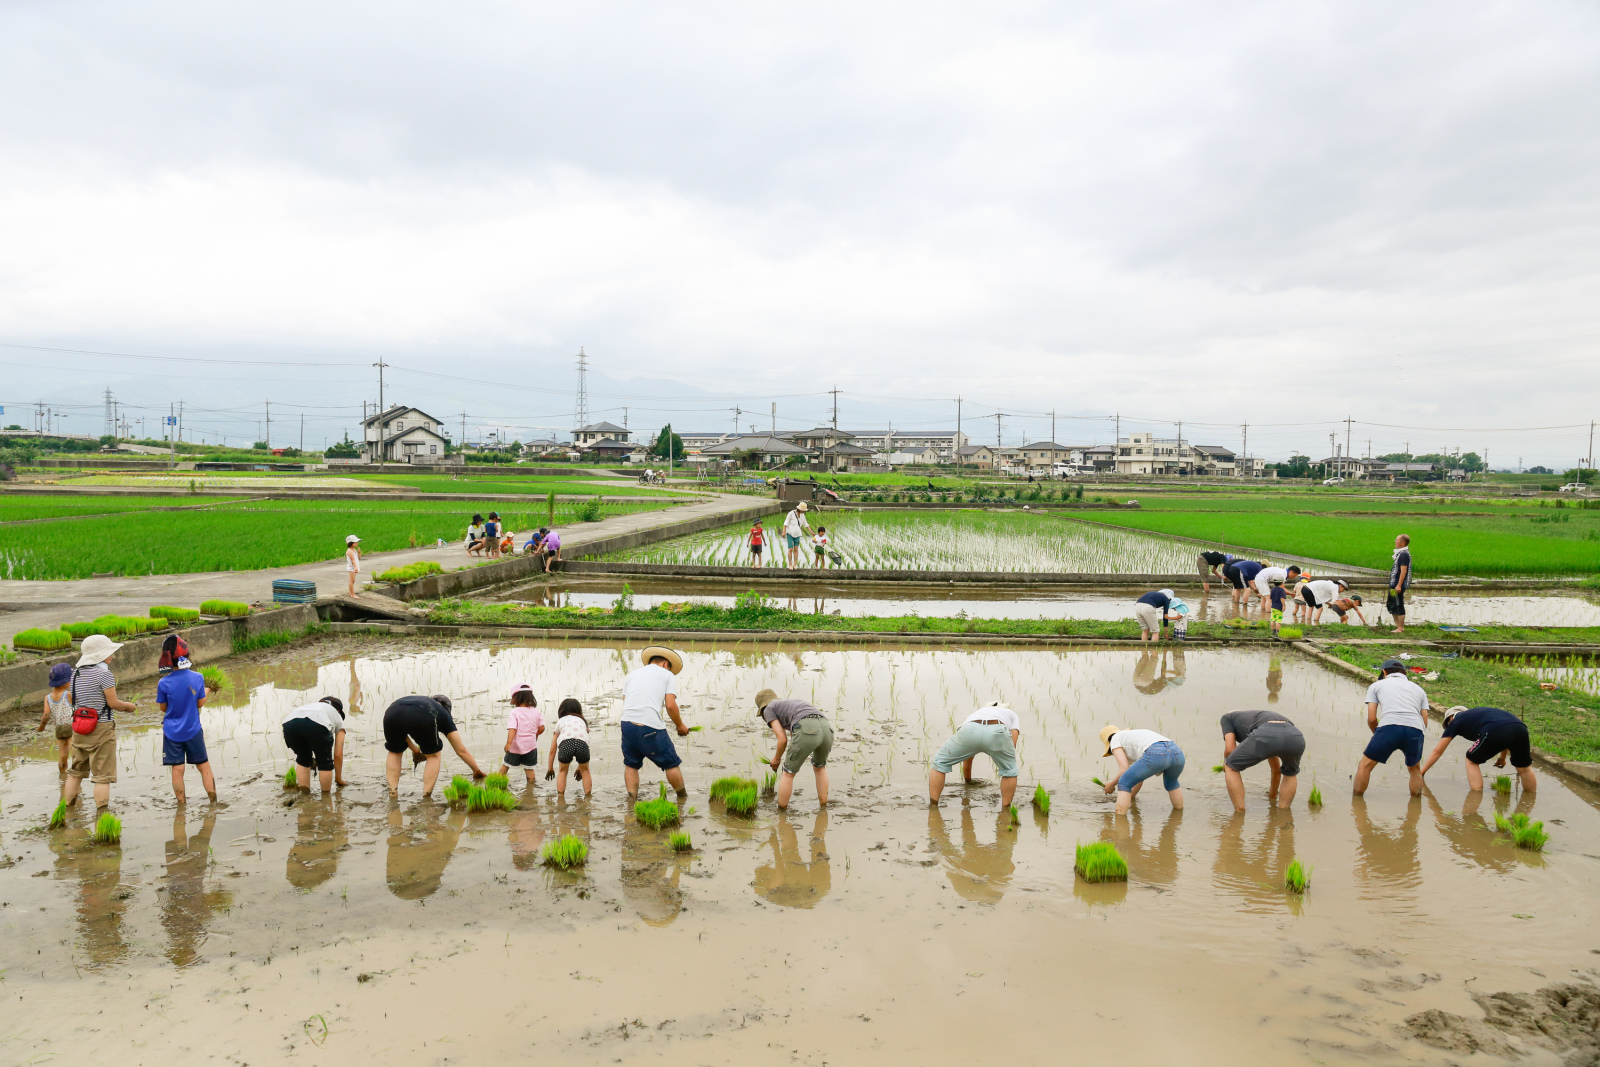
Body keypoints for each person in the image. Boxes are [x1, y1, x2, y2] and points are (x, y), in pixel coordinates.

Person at [62, 634, 137, 813]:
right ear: (101, 655)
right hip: (101, 727)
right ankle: (101, 816)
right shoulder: (105, 675)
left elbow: (71, 699)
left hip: (79, 727)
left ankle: (68, 811)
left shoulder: (75, 674)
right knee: (102, 776)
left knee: (76, 772)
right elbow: (113, 703)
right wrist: (129, 706)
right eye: (110, 652)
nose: (112, 655)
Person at [619, 646, 690, 800]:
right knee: (671, 763)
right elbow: (670, 705)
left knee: (631, 764)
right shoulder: (667, 675)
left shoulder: (632, 674)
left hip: (627, 724)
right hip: (650, 726)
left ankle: (632, 801)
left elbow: (626, 700)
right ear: (666, 664)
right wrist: (680, 725)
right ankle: (682, 798)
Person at [382, 693, 487, 797]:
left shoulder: (424, 701)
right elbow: (461, 750)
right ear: (447, 708)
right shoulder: (442, 713)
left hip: (391, 713)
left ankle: (393, 792)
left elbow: (402, 732)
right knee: (433, 756)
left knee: (395, 752)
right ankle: (426, 797)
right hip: (423, 713)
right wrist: (476, 771)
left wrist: (415, 750)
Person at [1354, 658, 1428, 797]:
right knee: (1415, 769)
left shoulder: (1377, 686)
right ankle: (1416, 806)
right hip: (1415, 729)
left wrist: (1378, 734)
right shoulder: (1419, 689)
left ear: (1384, 671)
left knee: (1365, 766)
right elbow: (1424, 721)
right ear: (1405, 673)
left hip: (1389, 727)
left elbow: (1371, 718)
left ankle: (1357, 805)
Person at [1420, 706, 1537, 793]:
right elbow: (1506, 731)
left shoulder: (1456, 721)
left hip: (1494, 730)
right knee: (1524, 768)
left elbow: (1438, 751)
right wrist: (1502, 758)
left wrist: (1421, 772)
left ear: (1450, 717)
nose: (1449, 726)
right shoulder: (1480, 715)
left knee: (1471, 760)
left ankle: (1475, 796)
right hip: (1520, 728)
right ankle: (1530, 799)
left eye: (1448, 724)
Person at [928, 701, 1021, 809]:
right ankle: (1006, 809)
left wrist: (968, 781)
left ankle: (933, 806)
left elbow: (967, 756)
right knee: (1010, 770)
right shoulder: (1011, 714)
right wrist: (998, 752)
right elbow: (1012, 743)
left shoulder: (978, 712)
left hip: (971, 728)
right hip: (998, 729)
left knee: (940, 762)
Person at [755, 689, 833, 809]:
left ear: (762, 708)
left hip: (807, 727)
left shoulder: (769, 708)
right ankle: (823, 807)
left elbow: (782, 739)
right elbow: (795, 733)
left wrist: (776, 759)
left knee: (788, 773)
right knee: (819, 767)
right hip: (826, 727)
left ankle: (781, 813)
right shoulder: (788, 705)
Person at [156, 648, 215, 803]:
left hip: (171, 732)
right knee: (204, 766)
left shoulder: (163, 682)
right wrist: (207, 690)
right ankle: (213, 801)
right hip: (193, 729)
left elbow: (163, 708)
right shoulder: (197, 677)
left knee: (178, 768)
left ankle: (181, 805)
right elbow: (200, 703)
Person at [1219, 710, 1304, 811]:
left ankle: (1239, 811)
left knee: (1230, 767)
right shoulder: (1259, 719)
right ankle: (1283, 812)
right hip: (1295, 736)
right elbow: (1275, 769)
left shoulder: (1227, 718)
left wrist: (1227, 763)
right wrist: (1272, 796)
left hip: (1265, 734)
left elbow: (1230, 748)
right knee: (1290, 773)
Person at [1098, 725, 1184, 814]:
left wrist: (1111, 784)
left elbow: (1124, 769)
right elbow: (1139, 778)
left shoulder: (1115, 739)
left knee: (1123, 782)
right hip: (1176, 752)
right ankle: (1178, 816)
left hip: (1156, 752)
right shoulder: (1132, 737)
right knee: (1172, 784)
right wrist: (1130, 796)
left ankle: (1120, 821)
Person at [282, 696, 348, 795]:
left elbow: (305, 725)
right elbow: (338, 754)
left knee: (303, 759)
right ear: (338, 711)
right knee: (325, 762)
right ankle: (326, 798)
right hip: (318, 724)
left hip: (289, 724)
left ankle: (305, 796)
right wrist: (338, 779)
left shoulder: (310, 706)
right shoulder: (336, 715)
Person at [545, 697, 593, 797]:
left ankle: (561, 798)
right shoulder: (582, 721)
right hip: (582, 745)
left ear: (561, 711)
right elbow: (585, 742)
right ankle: (588, 798)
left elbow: (553, 750)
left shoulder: (561, 721)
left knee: (563, 771)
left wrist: (550, 768)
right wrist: (581, 767)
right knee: (586, 771)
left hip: (566, 744)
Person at [501, 685, 545, 785]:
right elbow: (542, 728)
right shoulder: (536, 711)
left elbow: (513, 729)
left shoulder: (514, 712)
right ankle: (530, 790)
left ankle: (495, 784)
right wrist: (534, 734)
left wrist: (508, 743)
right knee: (529, 769)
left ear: (517, 698)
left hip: (516, 746)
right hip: (531, 745)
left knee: (506, 765)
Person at [35, 662, 73, 772]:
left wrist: (42, 726)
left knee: (63, 754)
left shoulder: (47, 697)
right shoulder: (69, 695)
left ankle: (62, 775)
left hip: (59, 728)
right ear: (65, 681)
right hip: (72, 727)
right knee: (74, 750)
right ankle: (75, 777)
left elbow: (46, 715)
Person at [1388, 533, 1412, 633]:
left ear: (1402, 543)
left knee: (1398, 604)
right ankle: (1397, 625)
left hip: (1398, 585)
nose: (1395, 542)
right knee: (1392, 604)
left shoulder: (1403, 554)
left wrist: (1399, 585)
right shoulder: (1400, 553)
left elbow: (1403, 571)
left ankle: (1400, 627)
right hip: (1394, 583)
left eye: (1397, 540)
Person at [782, 502, 812, 568]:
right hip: (790, 533)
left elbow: (806, 524)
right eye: (803, 510)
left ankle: (795, 564)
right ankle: (790, 564)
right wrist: (784, 532)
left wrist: (811, 532)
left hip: (798, 534)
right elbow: (785, 523)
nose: (804, 511)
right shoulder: (791, 513)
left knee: (796, 550)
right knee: (790, 549)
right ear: (800, 509)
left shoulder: (802, 515)